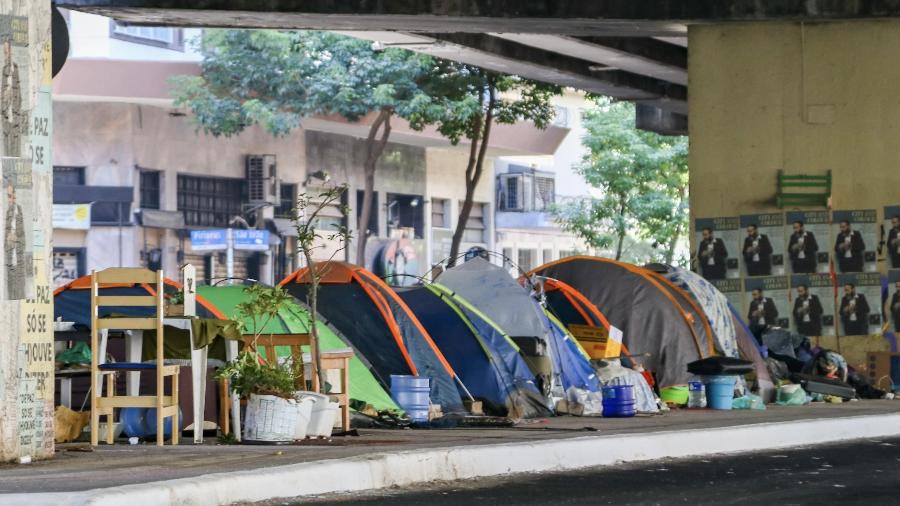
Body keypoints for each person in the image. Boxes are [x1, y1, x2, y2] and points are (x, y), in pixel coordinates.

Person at [809, 350, 893, 399]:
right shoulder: (814, 365)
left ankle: (882, 394)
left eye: (830, 366)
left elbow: (844, 381)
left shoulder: (842, 366)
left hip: (845, 381)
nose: (826, 368)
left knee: (856, 381)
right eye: (825, 366)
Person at [4, 177, 25, 300]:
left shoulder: (17, 211)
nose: (11, 200)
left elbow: (22, 239)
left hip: (13, 268)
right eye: (8, 196)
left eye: (12, 196)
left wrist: (13, 240)